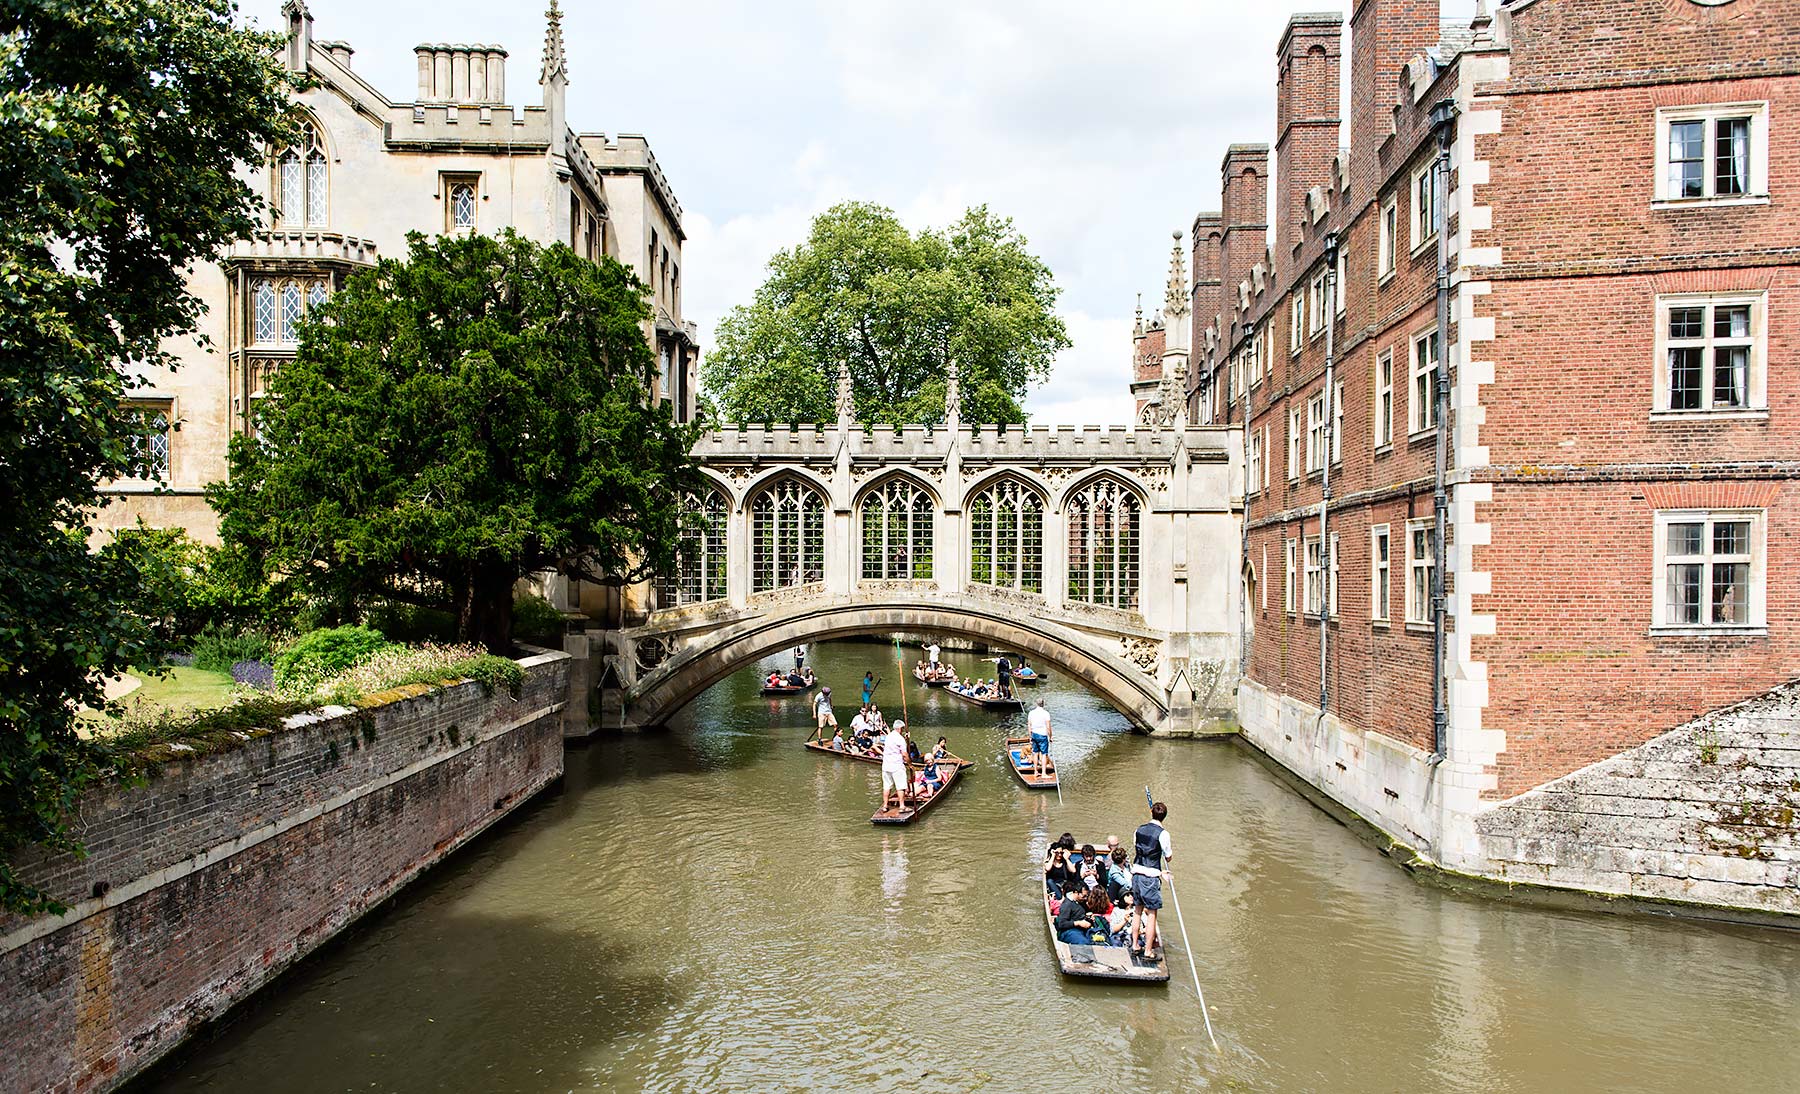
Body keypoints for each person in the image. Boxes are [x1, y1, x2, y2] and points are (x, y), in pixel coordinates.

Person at [1129, 801, 1174, 960]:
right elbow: (1168, 856)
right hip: (1150, 876)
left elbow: (1137, 846)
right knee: (1152, 914)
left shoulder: (1138, 829)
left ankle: (1134, 945)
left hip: (1136, 872)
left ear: (1151, 813)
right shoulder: (1164, 834)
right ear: (1164, 816)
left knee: (1137, 910)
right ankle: (1148, 951)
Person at [879, 719, 911, 813]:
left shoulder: (889, 736)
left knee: (887, 786)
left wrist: (905, 739)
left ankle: (885, 806)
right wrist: (910, 764)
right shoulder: (900, 739)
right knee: (900, 786)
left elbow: (895, 744)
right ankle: (902, 806)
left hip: (886, 765)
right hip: (896, 766)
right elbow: (905, 754)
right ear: (900, 728)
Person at [1026, 699, 1052, 778]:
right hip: (1042, 735)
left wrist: (1030, 736)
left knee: (1035, 753)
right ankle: (1043, 773)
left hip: (1034, 734)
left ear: (1036, 704)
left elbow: (1029, 726)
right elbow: (1048, 727)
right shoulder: (1046, 713)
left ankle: (1035, 771)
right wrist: (1050, 737)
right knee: (1044, 754)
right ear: (1043, 704)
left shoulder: (1031, 713)